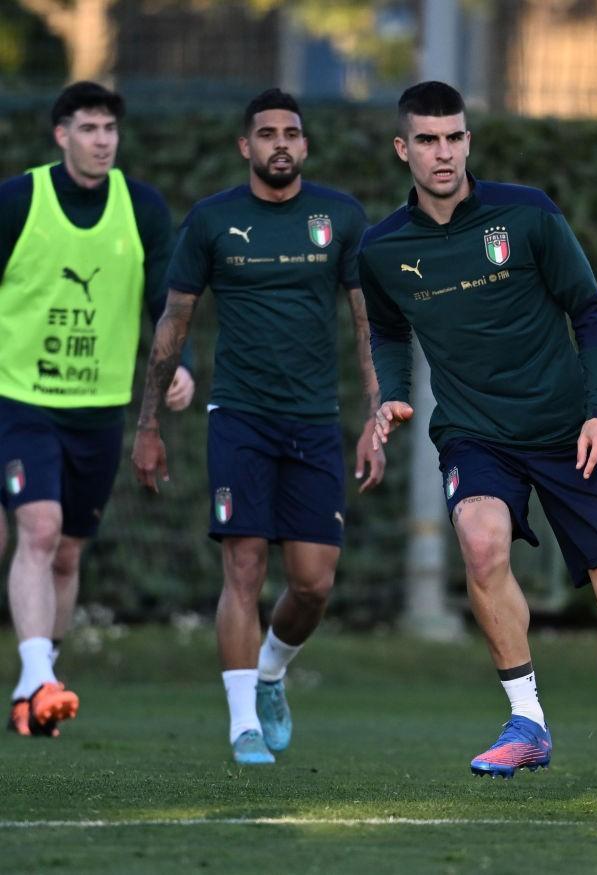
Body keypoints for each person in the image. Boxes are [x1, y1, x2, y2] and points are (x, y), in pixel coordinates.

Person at [358, 81, 597, 805]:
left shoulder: (526, 214)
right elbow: (389, 328)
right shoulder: (383, 248)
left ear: (469, 141)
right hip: (475, 430)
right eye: (426, 140)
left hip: (568, 428)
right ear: (403, 149)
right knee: (482, 542)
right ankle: (527, 720)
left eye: (454, 137)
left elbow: (589, 311)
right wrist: (390, 392)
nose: (443, 152)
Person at [131, 88, 385, 765]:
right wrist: (148, 422)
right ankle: (243, 722)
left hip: (314, 421)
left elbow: (367, 325)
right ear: (246, 146)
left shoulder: (340, 217)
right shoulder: (213, 221)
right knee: (242, 566)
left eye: (291, 133)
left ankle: (272, 673)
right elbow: (171, 326)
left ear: (304, 146)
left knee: (313, 582)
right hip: (238, 416)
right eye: (266, 133)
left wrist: (374, 414)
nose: (280, 143)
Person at [0, 81, 195, 739]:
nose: (102, 139)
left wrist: (179, 367)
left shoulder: (140, 206)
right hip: (21, 396)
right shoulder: (19, 199)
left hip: (99, 407)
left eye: (109, 128)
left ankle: (35, 693)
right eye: (88, 128)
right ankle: (37, 677)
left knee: (67, 553)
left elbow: (165, 302)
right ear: (61, 135)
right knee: (40, 527)